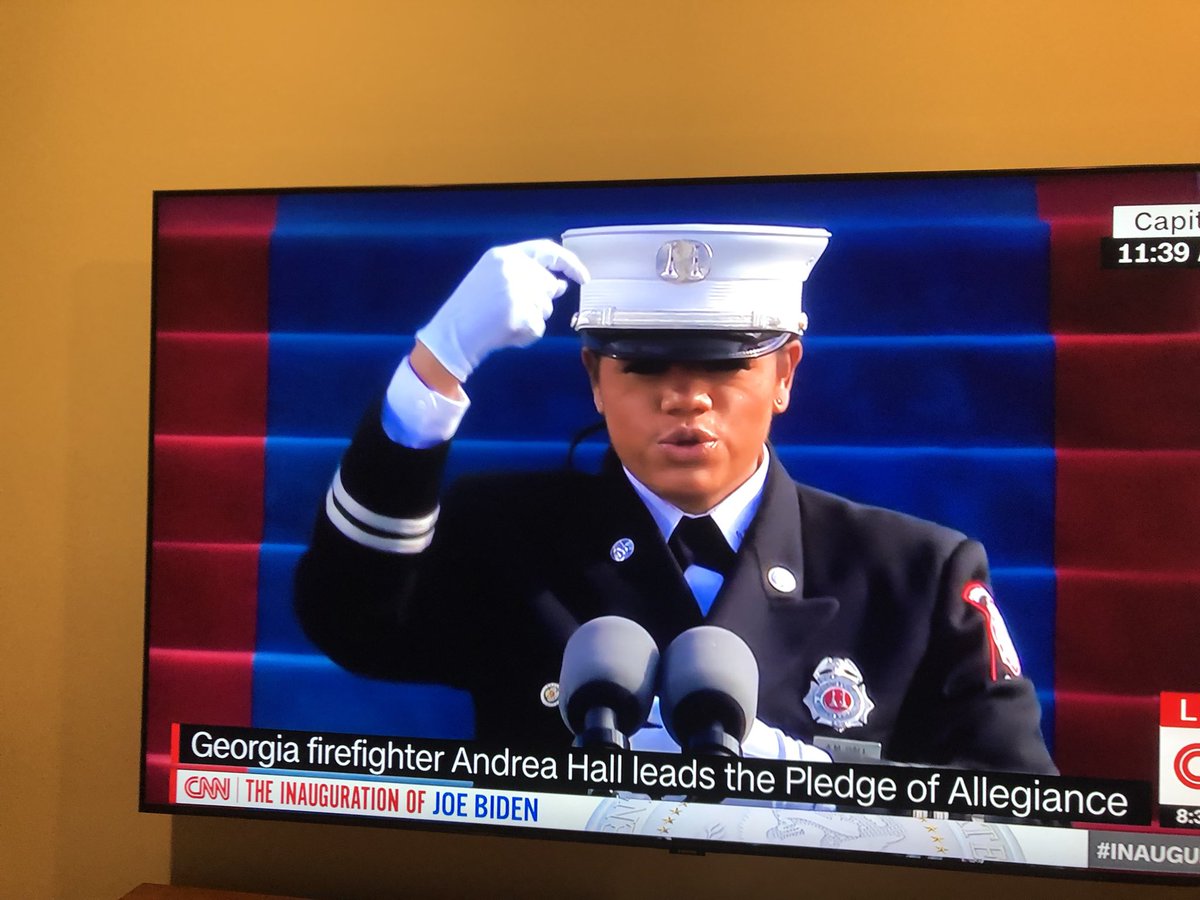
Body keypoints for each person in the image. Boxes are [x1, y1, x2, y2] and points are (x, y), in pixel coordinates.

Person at [294, 224, 1056, 774]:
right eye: (647, 369)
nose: (686, 399)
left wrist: (820, 787)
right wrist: (436, 365)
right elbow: (350, 619)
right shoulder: (506, 538)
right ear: (595, 377)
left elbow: (1021, 805)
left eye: (723, 367)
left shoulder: (915, 575)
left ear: (785, 373)